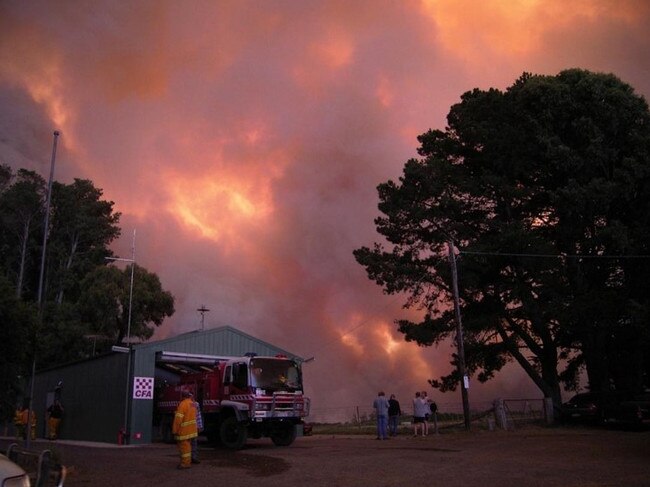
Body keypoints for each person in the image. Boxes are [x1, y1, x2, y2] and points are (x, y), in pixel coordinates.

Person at [172, 390, 198, 469]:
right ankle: (187, 461)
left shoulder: (182, 404)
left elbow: (178, 419)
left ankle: (185, 464)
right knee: (188, 447)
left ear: (182, 396)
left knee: (184, 448)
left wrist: (175, 430)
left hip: (184, 430)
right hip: (192, 430)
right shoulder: (193, 404)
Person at [190, 396, 204, 464]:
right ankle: (192, 458)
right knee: (192, 443)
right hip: (192, 427)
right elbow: (198, 416)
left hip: (191, 427)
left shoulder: (195, 404)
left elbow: (198, 415)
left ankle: (192, 458)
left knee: (192, 443)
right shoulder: (195, 404)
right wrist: (200, 426)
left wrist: (199, 426)